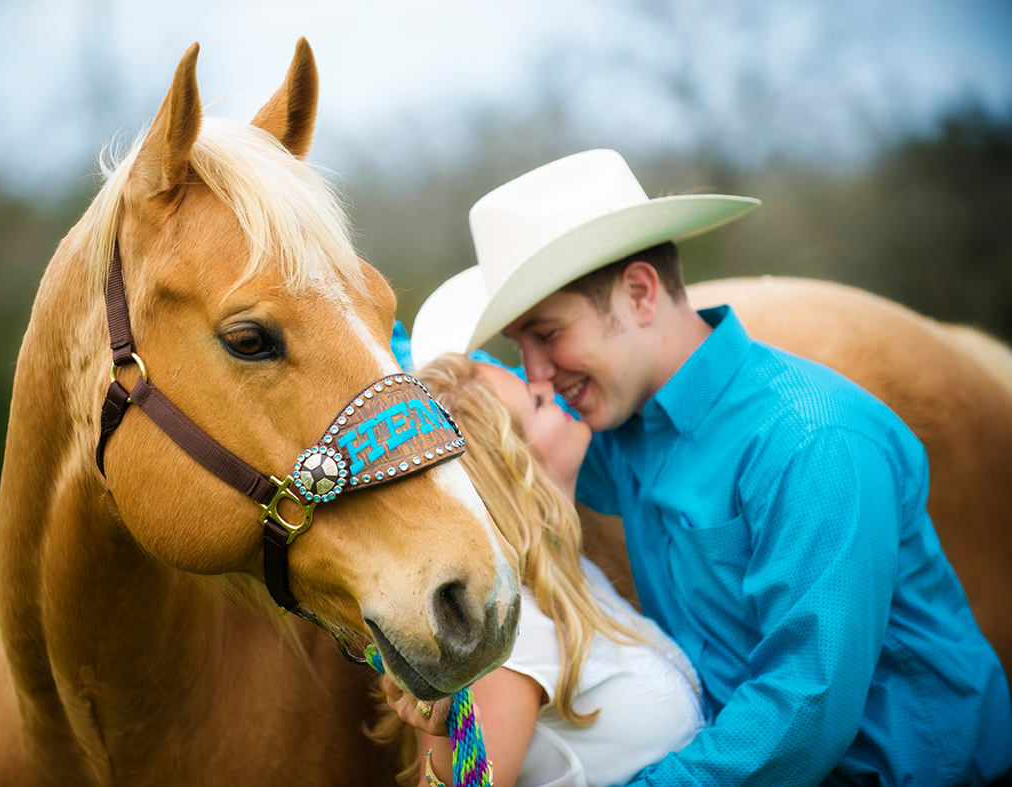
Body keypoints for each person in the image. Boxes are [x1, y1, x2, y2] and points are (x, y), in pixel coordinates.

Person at [403, 149, 1012, 785]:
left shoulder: (813, 440)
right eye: (520, 348)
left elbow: (804, 705)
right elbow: (504, 444)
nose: (535, 373)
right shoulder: (622, 433)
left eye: (548, 334)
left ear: (639, 293)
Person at [377, 352, 707, 787]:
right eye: (534, 403)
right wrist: (447, 738)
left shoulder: (572, 575)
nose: (546, 389)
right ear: (513, 465)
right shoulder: (508, 638)